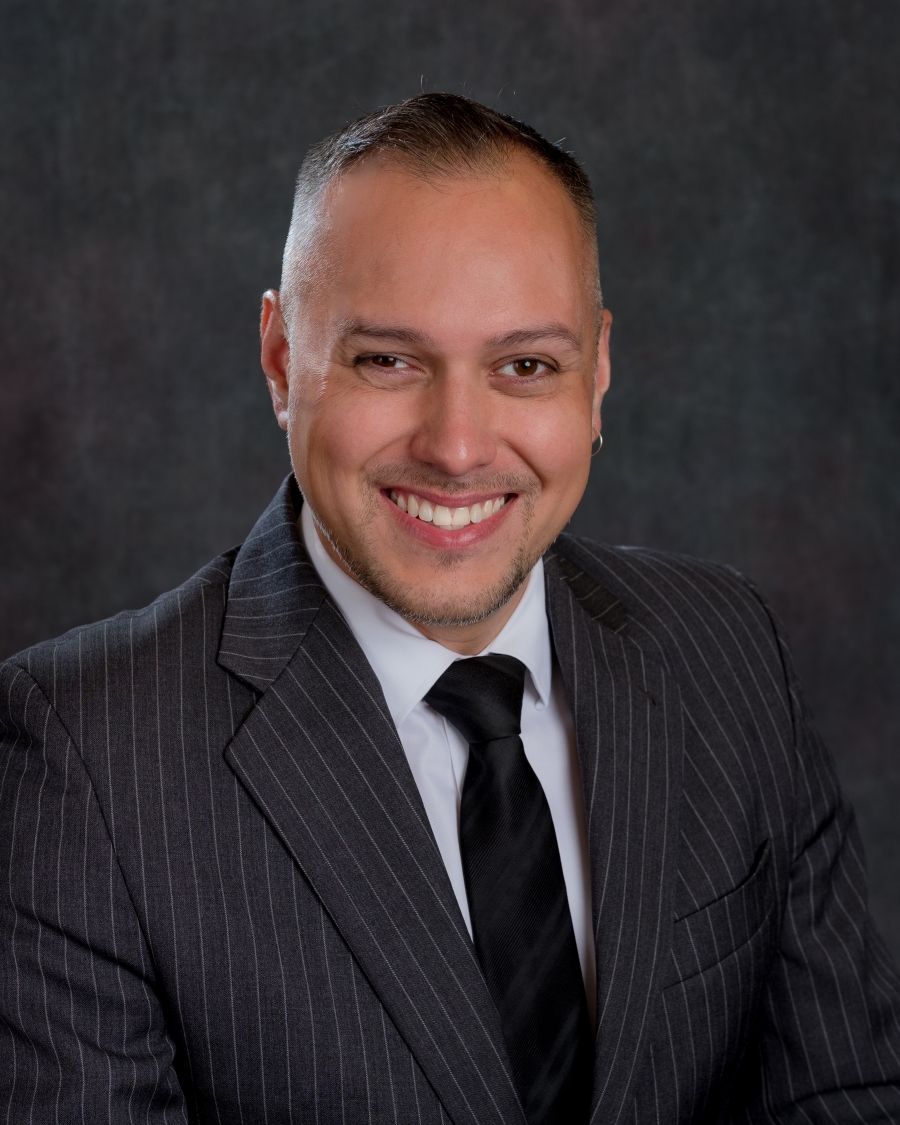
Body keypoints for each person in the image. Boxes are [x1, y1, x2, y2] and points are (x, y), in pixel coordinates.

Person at [1, 92, 899, 1125]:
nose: (459, 447)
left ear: (596, 374)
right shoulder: (79, 766)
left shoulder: (728, 649)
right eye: (388, 360)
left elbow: (849, 1097)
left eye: (526, 366)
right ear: (283, 359)